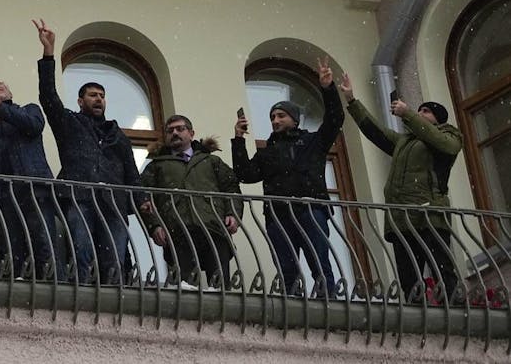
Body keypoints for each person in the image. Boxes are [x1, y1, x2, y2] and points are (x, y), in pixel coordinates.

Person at [33, 18, 148, 284]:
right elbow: (48, 97)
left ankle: (113, 300)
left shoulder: (116, 134)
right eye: (92, 94)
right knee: (82, 251)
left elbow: (131, 171)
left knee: (115, 259)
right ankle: (83, 295)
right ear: (80, 101)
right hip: (80, 197)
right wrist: (49, 54)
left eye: (102, 95)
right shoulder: (70, 124)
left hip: (113, 201)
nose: (98, 99)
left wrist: (142, 200)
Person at [339, 75, 463, 303]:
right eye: (420, 111)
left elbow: (446, 145)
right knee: (409, 279)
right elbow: (374, 131)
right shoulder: (404, 142)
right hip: (401, 218)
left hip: (430, 215)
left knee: (442, 270)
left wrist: (408, 114)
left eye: (426, 111)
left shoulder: (450, 135)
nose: (420, 113)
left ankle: (455, 311)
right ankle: (419, 319)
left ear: (437, 119)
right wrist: (352, 100)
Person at [231, 57, 343, 298]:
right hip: (278, 213)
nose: (275, 121)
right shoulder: (268, 151)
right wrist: (238, 140)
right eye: (273, 117)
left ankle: (329, 300)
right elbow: (245, 174)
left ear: (294, 119)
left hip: (310, 208)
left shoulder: (312, 141)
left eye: (281, 115)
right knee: (286, 267)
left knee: (319, 260)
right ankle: (292, 302)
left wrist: (327, 89)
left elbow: (335, 120)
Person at [0, 78, 58, 280]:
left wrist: (2, 108)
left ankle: (51, 287)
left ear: (9, 93)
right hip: (4, 195)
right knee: (12, 247)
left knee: (43, 242)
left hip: (33, 189)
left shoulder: (29, 109)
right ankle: (20, 287)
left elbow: (33, 125)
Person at [141, 115, 242, 289]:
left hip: (214, 228)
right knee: (185, 290)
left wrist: (233, 214)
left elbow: (231, 188)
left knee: (221, 289)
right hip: (177, 231)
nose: (175, 133)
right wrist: (154, 226)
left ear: (191, 133)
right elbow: (144, 198)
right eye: (170, 130)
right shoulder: (156, 166)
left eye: (180, 129)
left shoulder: (211, 161)